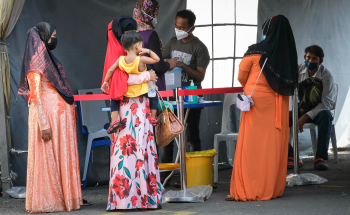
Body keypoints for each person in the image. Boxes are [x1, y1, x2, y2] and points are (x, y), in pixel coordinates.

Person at [226, 15, 298, 201]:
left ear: (267, 30)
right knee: (272, 146)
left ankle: (249, 189)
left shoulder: (255, 50)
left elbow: (242, 75)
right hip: (277, 104)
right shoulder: (287, 54)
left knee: (251, 145)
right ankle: (271, 189)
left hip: (255, 103)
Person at [18, 22, 83, 213]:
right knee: (48, 156)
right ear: (43, 37)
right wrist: (43, 124)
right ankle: (50, 199)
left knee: (59, 154)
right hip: (47, 118)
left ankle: (65, 198)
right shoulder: (35, 63)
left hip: (58, 117)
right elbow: (35, 97)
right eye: (52, 35)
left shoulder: (47, 59)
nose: (54, 39)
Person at [103, 18, 163, 211]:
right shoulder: (125, 53)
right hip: (134, 108)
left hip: (125, 109)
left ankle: (125, 199)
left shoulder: (119, 52)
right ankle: (142, 198)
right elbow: (118, 83)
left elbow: (114, 79)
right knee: (138, 148)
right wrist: (146, 76)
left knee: (127, 151)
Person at [161, 9, 210, 185]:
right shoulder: (173, 42)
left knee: (191, 136)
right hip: (171, 97)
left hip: (191, 99)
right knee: (167, 136)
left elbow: (200, 76)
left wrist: (182, 65)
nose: (178, 29)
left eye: (182, 27)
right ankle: (164, 177)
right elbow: (161, 61)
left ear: (192, 28)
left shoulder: (199, 48)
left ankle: (192, 176)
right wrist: (169, 63)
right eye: (176, 25)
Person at [287, 45, 336, 171]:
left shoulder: (326, 76)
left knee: (327, 115)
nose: (310, 61)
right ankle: (291, 156)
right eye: (308, 57)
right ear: (304, 57)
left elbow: (327, 103)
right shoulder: (297, 70)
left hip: (319, 112)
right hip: (300, 109)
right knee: (276, 120)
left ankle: (320, 158)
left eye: (314, 59)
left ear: (320, 61)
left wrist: (306, 117)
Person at [101, 31, 161, 133]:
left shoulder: (120, 60)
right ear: (138, 45)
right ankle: (153, 117)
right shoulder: (141, 59)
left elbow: (110, 70)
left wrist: (105, 82)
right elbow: (157, 59)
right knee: (154, 97)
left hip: (126, 91)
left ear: (124, 47)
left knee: (114, 99)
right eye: (142, 44)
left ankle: (115, 120)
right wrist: (148, 50)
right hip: (142, 91)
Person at [133, 0, 178, 91]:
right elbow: (158, 66)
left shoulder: (129, 33)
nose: (154, 17)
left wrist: (163, 61)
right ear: (148, 14)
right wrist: (169, 64)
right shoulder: (150, 34)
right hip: (152, 86)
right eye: (154, 14)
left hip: (135, 86)